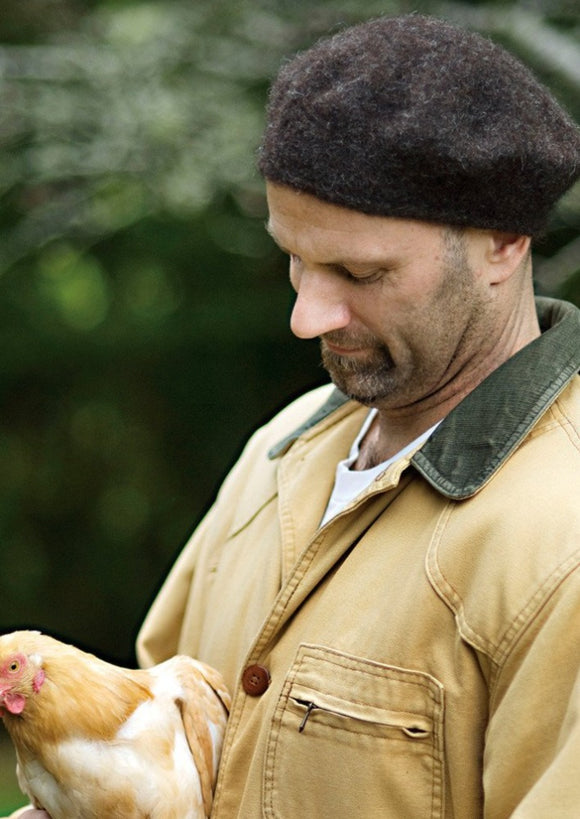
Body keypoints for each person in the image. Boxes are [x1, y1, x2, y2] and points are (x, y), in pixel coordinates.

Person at [10, 13, 580, 819]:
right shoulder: (280, 452)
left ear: (504, 244)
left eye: (358, 270)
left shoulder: (563, 539)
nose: (306, 316)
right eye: (295, 258)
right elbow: (155, 768)